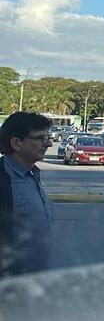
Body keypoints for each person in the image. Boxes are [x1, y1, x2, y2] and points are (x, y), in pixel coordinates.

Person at [0, 112, 55, 276]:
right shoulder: (4, 179)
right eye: (40, 139)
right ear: (16, 143)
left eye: (48, 138)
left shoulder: (32, 175)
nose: (49, 144)